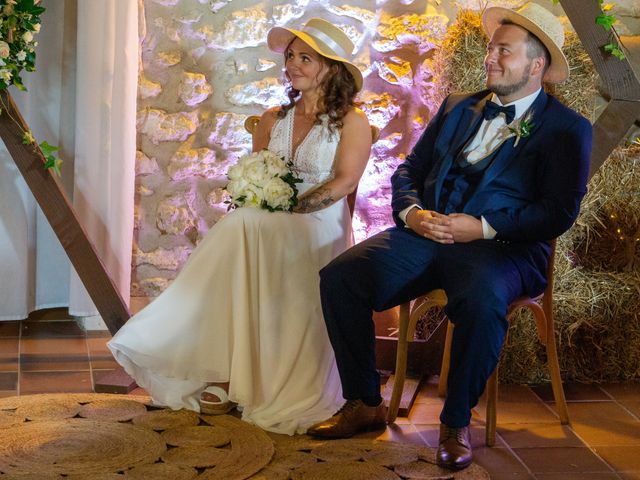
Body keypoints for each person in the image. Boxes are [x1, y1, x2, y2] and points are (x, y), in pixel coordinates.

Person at [307, 2, 592, 471]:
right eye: (489, 48)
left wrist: (481, 226)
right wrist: (414, 214)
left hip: (503, 251)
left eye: (504, 50)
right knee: (342, 276)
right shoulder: (458, 106)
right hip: (426, 235)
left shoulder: (568, 130)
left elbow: (557, 213)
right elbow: (410, 171)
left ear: (536, 65)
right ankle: (363, 402)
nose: (490, 58)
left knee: (480, 302)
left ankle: (455, 422)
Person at [108, 18, 371, 436]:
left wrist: (293, 209)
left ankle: (235, 377)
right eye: (290, 57)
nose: (292, 65)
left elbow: (344, 182)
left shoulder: (351, 122)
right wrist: (261, 197)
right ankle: (228, 369)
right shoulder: (271, 118)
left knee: (243, 226)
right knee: (244, 223)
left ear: (331, 67)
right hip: (268, 218)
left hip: (319, 222)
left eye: (305, 57)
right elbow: (258, 170)